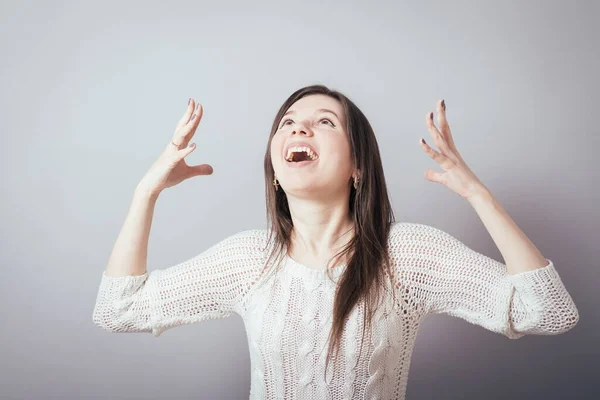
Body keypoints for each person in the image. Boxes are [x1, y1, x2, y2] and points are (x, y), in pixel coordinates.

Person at [92, 85, 579, 399]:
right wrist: (146, 191)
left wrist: (478, 194)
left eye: (325, 121)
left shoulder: (406, 256)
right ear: (276, 173)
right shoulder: (249, 260)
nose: (298, 126)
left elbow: (549, 310)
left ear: (358, 167)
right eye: (287, 122)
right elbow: (119, 310)